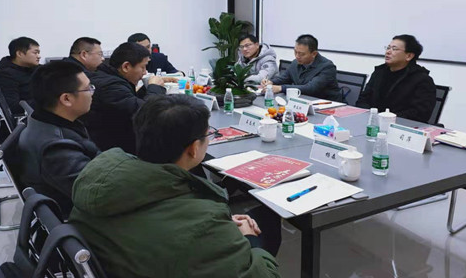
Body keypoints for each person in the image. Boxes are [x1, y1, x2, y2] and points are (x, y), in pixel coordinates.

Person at [69, 95, 281, 278]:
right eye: (208, 134)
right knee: (267, 220)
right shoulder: (203, 223)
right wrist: (248, 237)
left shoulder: (99, 180)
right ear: (193, 148)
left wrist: (220, 226)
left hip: (130, 260)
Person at [18, 61, 100, 216]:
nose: (92, 93)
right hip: (79, 217)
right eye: (88, 88)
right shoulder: (56, 147)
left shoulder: (43, 120)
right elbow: (96, 196)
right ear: (66, 99)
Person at [84, 42, 166, 154]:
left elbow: (130, 102)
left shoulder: (110, 78)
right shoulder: (110, 86)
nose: (145, 72)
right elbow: (145, 112)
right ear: (126, 67)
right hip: (112, 150)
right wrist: (155, 87)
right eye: (143, 67)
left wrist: (147, 88)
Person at [356, 34, 436, 123]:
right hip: (371, 122)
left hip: (399, 126)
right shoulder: (379, 72)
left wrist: (386, 119)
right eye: (388, 48)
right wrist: (371, 116)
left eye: (394, 49)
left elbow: (420, 114)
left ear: (409, 56)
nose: (388, 52)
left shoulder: (422, 80)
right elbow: (363, 99)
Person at [262, 34, 342, 102]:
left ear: (314, 54)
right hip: (304, 102)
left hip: (327, 106)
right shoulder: (295, 63)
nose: (297, 56)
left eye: (301, 54)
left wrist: (281, 88)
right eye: (295, 52)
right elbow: (284, 78)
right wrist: (271, 82)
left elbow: (311, 88)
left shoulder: (327, 67)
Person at [0, 36, 41, 115]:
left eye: (38, 53)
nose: (39, 56)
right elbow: (13, 107)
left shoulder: (31, 68)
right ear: (20, 54)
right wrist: (46, 102)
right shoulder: (5, 75)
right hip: (31, 116)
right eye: (35, 53)